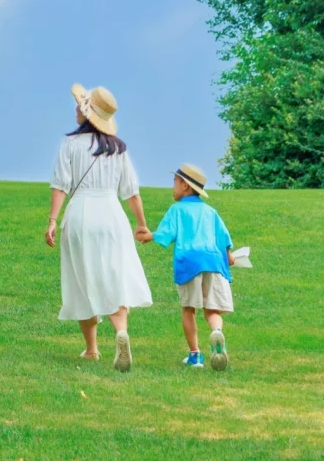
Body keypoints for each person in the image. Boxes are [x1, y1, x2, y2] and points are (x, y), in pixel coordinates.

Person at [46, 83, 153, 371]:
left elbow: (60, 186)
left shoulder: (69, 144)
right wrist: (142, 224)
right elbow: (131, 191)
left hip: (80, 214)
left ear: (85, 110)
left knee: (82, 278)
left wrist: (53, 220)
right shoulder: (118, 148)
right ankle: (121, 332)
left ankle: (92, 349)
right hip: (112, 215)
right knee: (114, 275)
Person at [138, 162, 235, 370]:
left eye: (174, 182)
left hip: (190, 262)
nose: (172, 187)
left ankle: (195, 356)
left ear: (185, 186)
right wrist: (229, 255)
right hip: (213, 261)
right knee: (212, 310)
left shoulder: (177, 209)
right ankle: (217, 333)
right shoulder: (210, 212)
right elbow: (224, 238)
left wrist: (149, 236)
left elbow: (166, 233)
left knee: (188, 309)